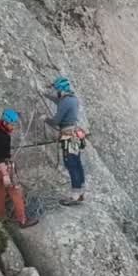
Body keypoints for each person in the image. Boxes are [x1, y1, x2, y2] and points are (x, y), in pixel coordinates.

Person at [41, 76, 86, 206]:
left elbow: (56, 121)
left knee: (71, 164)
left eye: (56, 89)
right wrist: (46, 94)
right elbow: (58, 101)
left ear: (61, 90)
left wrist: (45, 118)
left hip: (68, 136)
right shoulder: (72, 99)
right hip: (75, 134)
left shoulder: (65, 102)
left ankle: (75, 195)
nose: (55, 92)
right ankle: (81, 191)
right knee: (77, 163)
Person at [0, 109, 37, 228]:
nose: (13, 126)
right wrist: (5, 174)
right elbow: (1, 157)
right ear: (5, 123)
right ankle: (22, 220)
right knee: (16, 193)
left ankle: (0, 217)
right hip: (5, 169)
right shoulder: (4, 137)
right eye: (11, 124)